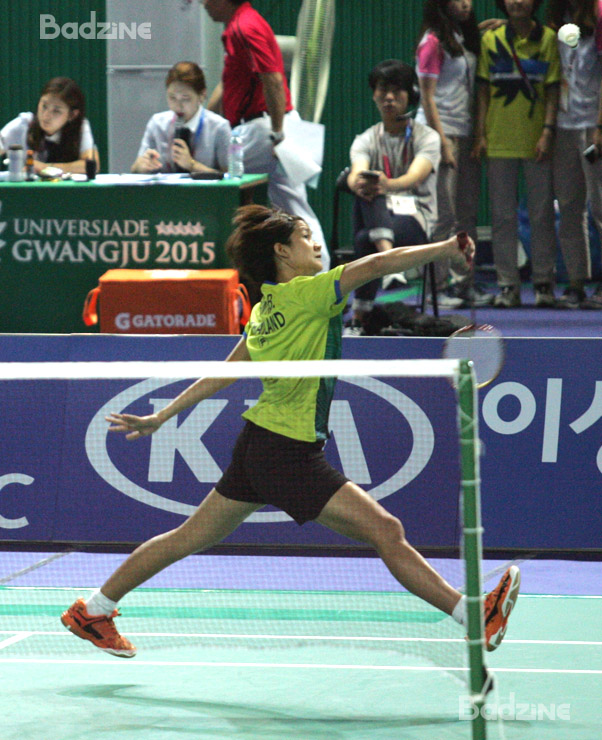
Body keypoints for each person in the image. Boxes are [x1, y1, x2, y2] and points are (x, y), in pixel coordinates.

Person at [60, 203, 520, 660]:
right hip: (286, 452)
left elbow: (224, 373)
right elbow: (376, 264)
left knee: (186, 537)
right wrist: (445, 247)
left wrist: (163, 416)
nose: (315, 244)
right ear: (281, 251)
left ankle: (93, 610)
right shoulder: (308, 294)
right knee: (386, 529)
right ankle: (473, 617)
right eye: (304, 237)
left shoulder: (264, 310)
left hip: (259, 446)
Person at [200, 0, 330, 269]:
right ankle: (321, 275)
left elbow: (272, 79)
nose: (203, 3)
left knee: (208, 173)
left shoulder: (245, 27)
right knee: (295, 208)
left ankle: (212, 262)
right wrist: (204, 121)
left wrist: (277, 135)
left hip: (263, 131)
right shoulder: (241, 24)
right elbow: (230, 83)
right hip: (271, 127)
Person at [473, 0, 561, 308]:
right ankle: (508, 285)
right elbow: (483, 91)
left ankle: (543, 283)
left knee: (541, 215)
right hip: (498, 139)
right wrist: (481, 134)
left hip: (537, 141)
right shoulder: (490, 39)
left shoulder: (548, 39)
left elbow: (553, 90)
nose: (517, 1)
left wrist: (548, 132)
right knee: (502, 217)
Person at [345, 60, 441, 331]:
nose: (389, 97)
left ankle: (359, 316)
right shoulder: (365, 138)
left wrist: (387, 185)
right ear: (374, 95)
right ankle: (390, 263)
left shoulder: (428, 137)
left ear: (411, 95)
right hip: (380, 216)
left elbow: (415, 177)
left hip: (417, 217)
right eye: (382, 90)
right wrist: (359, 183)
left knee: (365, 237)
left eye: (396, 91)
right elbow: (356, 172)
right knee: (367, 191)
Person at [416, 0, 493, 309]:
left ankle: (464, 282)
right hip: (440, 134)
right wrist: (442, 142)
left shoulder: (462, 38)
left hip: (465, 131)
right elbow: (427, 97)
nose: (465, 3)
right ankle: (435, 287)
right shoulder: (432, 42)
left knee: (465, 214)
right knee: (442, 216)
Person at [548, 0, 602, 309]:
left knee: (600, 207)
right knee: (569, 208)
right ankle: (576, 283)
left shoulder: (599, 14)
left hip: (593, 126)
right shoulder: (556, 17)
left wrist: (600, 125)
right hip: (563, 127)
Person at [131, 61, 230, 175]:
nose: (178, 105)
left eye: (185, 98)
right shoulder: (157, 124)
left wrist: (192, 165)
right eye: (172, 98)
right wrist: (141, 166)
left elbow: (230, 178)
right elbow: (135, 169)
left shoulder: (219, 127)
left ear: (202, 96)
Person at [0, 77, 99, 176]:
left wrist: (45, 167)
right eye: (44, 106)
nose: (46, 115)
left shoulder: (81, 127)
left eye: (56, 111)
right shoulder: (22, 125)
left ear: (72, 115)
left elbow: (92, 166)